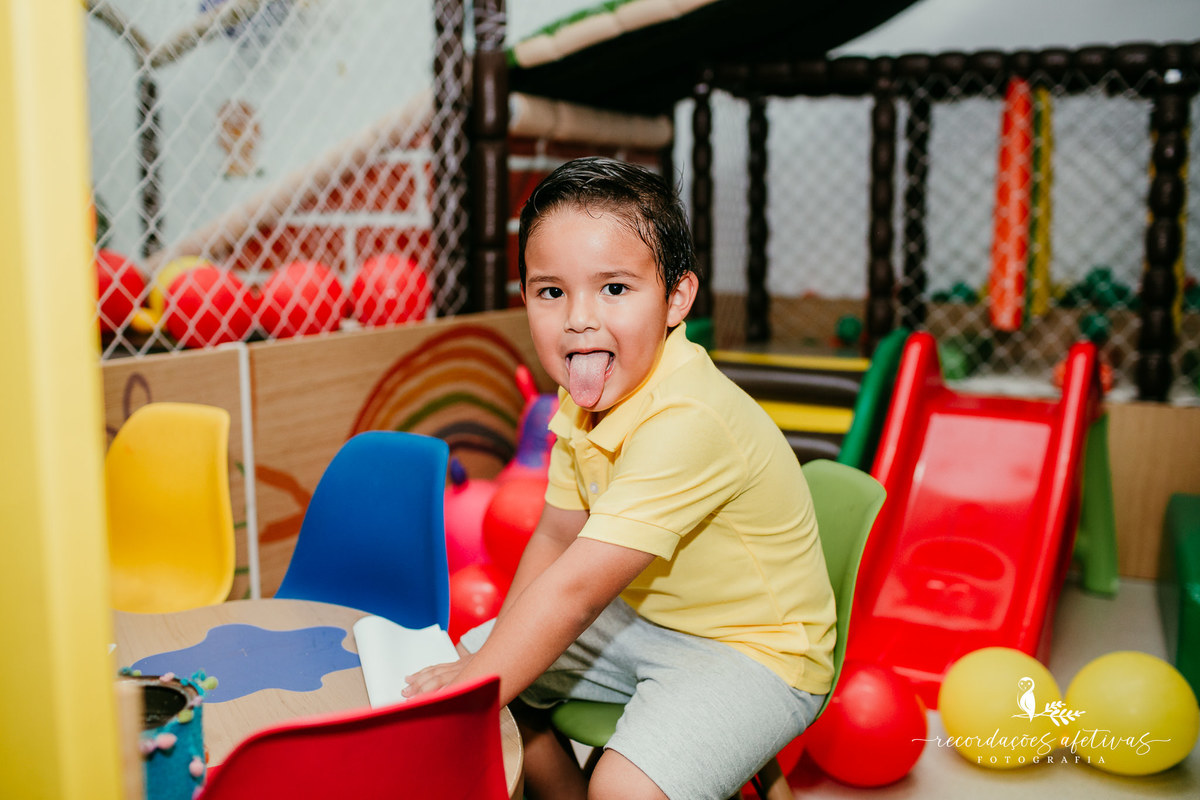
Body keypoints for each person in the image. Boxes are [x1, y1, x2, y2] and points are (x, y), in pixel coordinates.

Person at [404, 157, 835, 800]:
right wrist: (489, 668)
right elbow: (554, 539)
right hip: (643, 616)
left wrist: (487, 674)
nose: (579, 318)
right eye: (552, 292)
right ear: (525, 299)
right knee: (491, 660)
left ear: (675, 298)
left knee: (617, 781)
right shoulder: (583, 397)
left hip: (755, 650)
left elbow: (576, 589)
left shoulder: (685, 417)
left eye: (614, 289)